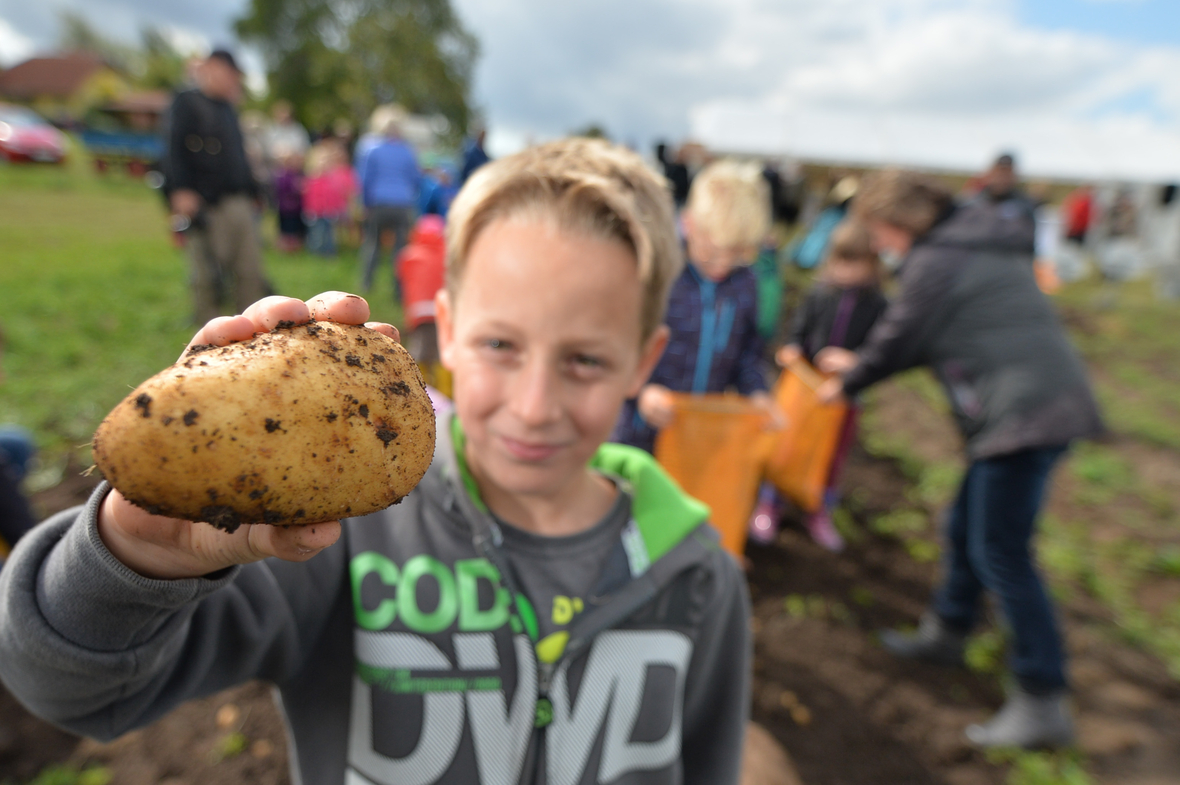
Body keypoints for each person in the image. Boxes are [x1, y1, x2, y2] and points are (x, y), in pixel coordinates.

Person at [0, 138, 751, 785]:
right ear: (446, 331)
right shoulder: (334, 540)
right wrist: (137, 554)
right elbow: (78, 690)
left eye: (585, 359)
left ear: (644, 359)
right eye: (500, 345)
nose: (533, 404)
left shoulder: (697, 579)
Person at [815, 169, 1104, 749]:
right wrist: (862, 367)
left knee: (1002, 551)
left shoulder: (937, 261)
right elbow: (928, 333)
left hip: (1023, 415)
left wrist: (847, 383)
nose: (882, 246)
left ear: (899, 224)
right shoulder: (972, 241)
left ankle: (1043, 698)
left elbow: (904, 333)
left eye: (880, 233)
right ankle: (949, 630)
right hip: (1035, 405)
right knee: (965, 523)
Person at [612, 159, 774, 455]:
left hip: (699, 432)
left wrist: (757, 392)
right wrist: (641, 391)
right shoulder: (658, 274)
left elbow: (748, 350)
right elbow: (619, 344)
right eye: (712, 253)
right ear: (688, 225)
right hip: (638, 434)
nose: (724, 266)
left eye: (737, 255)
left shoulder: (746, 283)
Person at [761, 219, 888, 551]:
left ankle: (818, 509)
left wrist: (853, 361)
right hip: (805, 388)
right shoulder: (820, 293)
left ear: (872, 265)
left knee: (831, 454)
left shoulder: (878, 305)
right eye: (840, 262)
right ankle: (770, 503)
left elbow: (881, 349)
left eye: (854, 264)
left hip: (844, 394)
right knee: (788, 444)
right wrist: (793, 347)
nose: (845, 272)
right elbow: (800, 328)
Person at [163, 49, 270, 324]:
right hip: (207, 204)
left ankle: (250, 328)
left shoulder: (227, 109)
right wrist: (180, 189)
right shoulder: (187, 102)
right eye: (231, 74)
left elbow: (238, 156)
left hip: (240, 202)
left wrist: (255, 190)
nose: (234, 81)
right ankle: (210, 334)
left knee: (250, 271)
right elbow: (173, 148)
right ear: (213, 68)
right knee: (208, 273)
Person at [358, 108, 421, 296]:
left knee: (373, 245)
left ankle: (366, 286)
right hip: (402, 204)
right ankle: (399, 291)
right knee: (400, 250)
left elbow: (364, 179)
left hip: (378, 202)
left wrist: (365, 203)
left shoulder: (371, 149)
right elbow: (416, 180)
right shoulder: (408, 151)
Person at [303, 139, 357, 257]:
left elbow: (340, 194)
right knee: (317, 234)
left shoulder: (333, 178)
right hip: (315, 212)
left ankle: (330, 253)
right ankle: (317, 253)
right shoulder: (312, 178)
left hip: (330, 211)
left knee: (329, 235)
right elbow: (308, 196)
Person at [272, 147, 306, 252]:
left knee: (296, 230)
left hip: (297, 209)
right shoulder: (282, 175)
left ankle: (295, 248)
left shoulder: (300, 174)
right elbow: (283, 189)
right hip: (286, 209)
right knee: (287, 230)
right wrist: (296, 188)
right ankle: (286, 249)